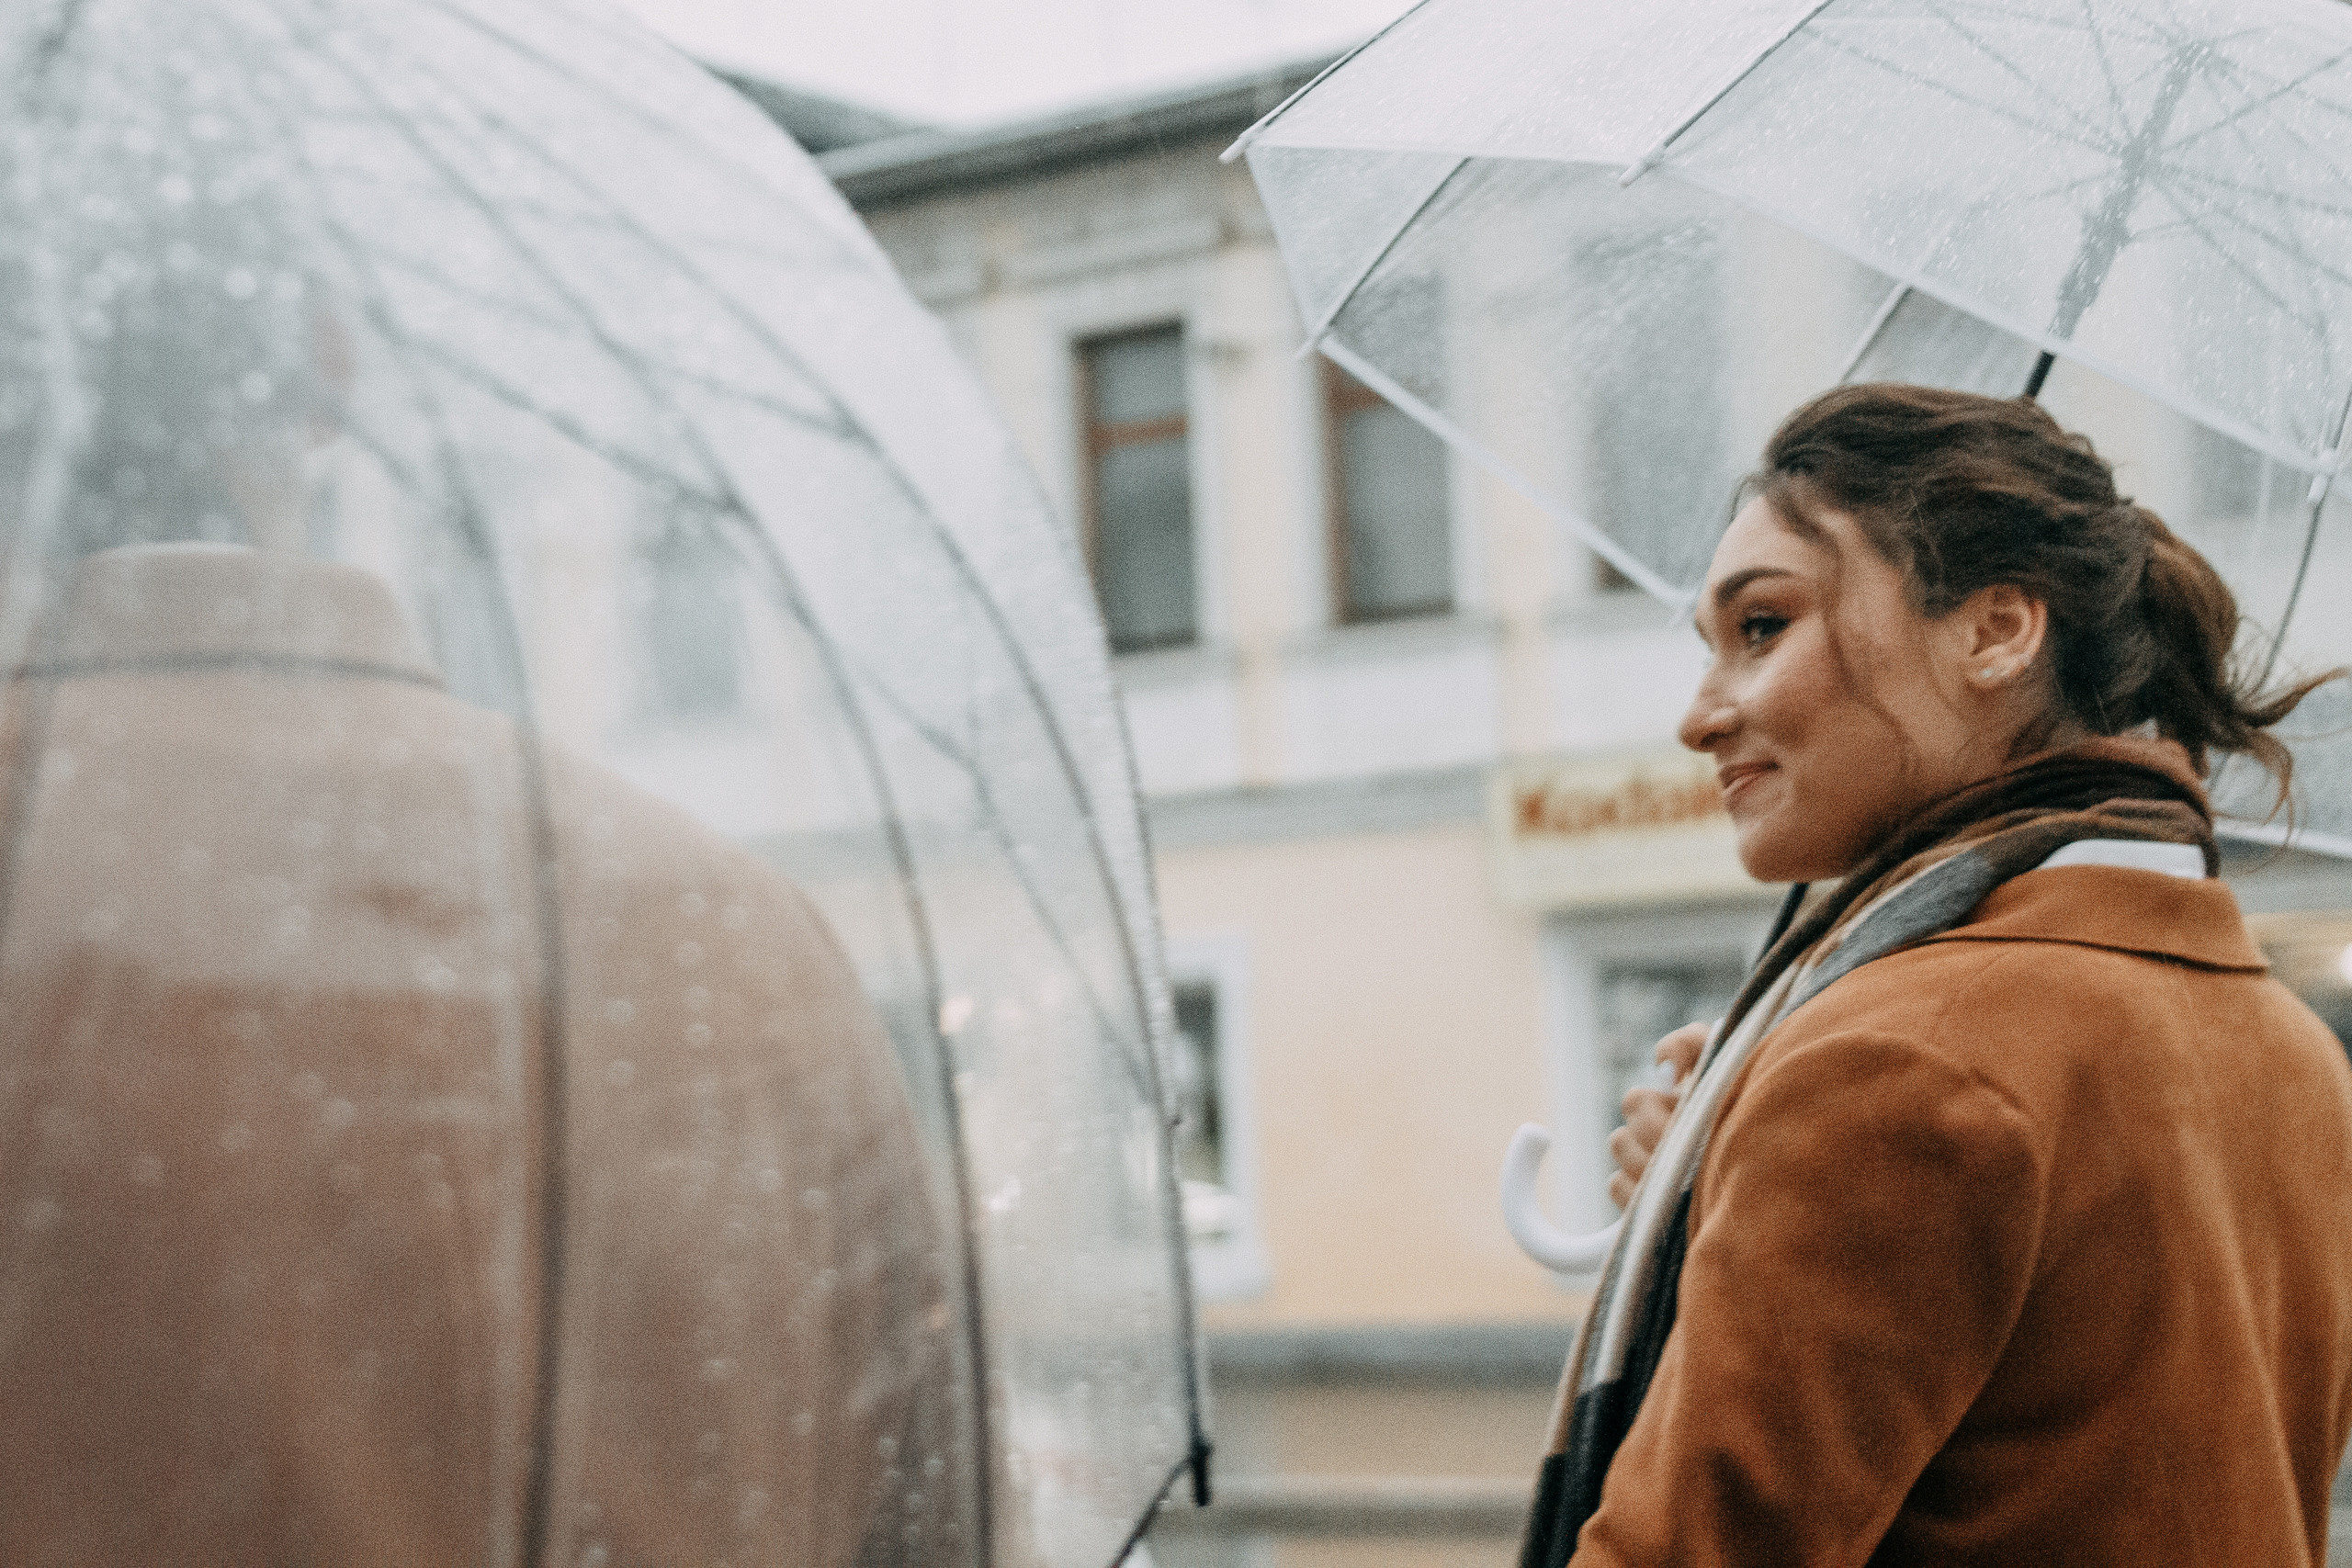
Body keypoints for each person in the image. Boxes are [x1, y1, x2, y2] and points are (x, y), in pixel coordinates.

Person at [1523, 385, 2352, 1567]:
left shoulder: (1895, 1059)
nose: (1701, 717)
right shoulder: (2285, 1044)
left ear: (1997, 632)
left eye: (1761, 627)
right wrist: (1740, 1186)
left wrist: (1801, 1123)